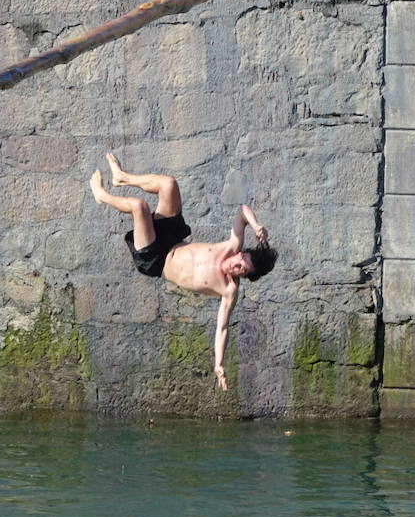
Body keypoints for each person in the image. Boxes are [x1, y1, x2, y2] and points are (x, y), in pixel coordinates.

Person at [88, 154, 277, 392]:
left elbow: (223, 328)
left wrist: (219, 364)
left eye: (241, 269)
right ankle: (122, 178)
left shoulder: (228, 289)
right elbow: (242, 211)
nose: (235, 263)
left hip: (155, 258)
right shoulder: (232, 246)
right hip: (173, 238)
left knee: (140, 206)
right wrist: (256, 224)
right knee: (169, 184)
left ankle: (102, 195)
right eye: (240, 259)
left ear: (244, 276)